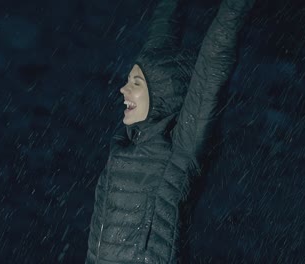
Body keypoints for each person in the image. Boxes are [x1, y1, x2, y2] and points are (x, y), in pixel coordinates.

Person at [86, 0, 255, 263]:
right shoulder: (125, 143)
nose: (123, 89)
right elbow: (161, 31)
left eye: (136, 82)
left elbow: (214, 61)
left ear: (160, 95)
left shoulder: (180, 151)